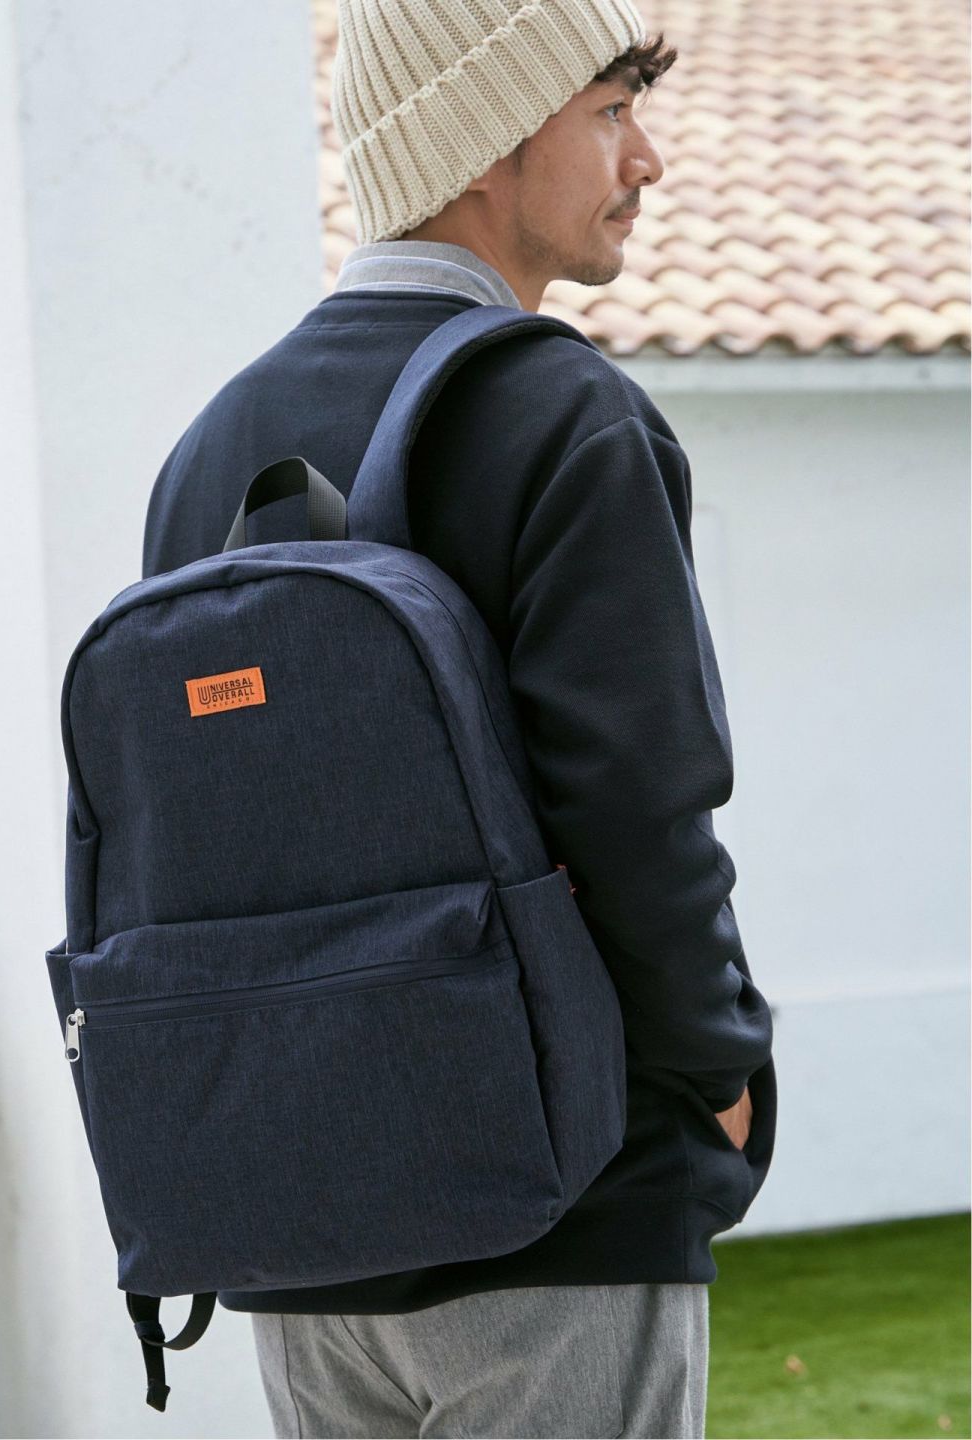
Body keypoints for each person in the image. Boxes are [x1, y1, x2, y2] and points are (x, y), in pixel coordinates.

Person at [142, 1, 777, 1434]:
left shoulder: (211, 448)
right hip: (560, 1206)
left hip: (300, 1221)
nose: (647, 160)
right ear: (488, 136)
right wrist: (717, 1070)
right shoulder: (564, 414)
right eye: (610, 113)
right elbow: (640, 805)